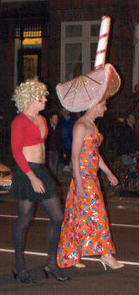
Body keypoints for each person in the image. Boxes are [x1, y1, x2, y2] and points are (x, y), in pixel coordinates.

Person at [56, 63, 125, 270]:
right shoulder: (81, 125)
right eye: (103, 105)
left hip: (91, 178)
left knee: (77, 217)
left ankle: (70, 254)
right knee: (97, 215)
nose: (105, 108)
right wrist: (78, 183)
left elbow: (94, 155)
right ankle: (106, 255)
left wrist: (109, 173)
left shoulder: (93, 125)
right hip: (83, 179)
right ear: (95, 105)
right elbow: (75, 156)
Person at [10, 78, 68, 283]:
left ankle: (51, 264)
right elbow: (17, 153)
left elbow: (41, 145)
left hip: (41, 170)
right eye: (41, 96)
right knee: (24, 219)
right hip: (26, 172)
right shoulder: (19, 121)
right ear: (30, 98)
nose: (45, 98)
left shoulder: (42, 119)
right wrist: (32, 176)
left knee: (57, 216)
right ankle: (18, 265)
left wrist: (52, 126)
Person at [45, 112, 64, 178]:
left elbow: (60, 140)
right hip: (49, 151)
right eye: (54, 118)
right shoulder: (48, 128)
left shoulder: (58, 129)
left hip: (56, 150)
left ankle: (54, 179)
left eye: (57, 118)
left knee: (55, 166)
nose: (56, 120)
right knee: (50, 167)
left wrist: (62, 151)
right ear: (51, 119)